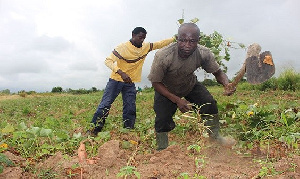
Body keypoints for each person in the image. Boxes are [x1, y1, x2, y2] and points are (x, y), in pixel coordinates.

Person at [147, 23, 236, 150]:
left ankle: (215, 137)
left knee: (209, 104)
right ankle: (162, 148)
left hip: (189, 84)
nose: (187, 45)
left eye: (192, 41)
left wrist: (227, 84)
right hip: (166, 89)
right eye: (182, 40)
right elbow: (156, 82)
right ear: (177, 38)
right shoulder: (163, 55)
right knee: (162, 119)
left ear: (198, 40)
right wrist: (177, 100)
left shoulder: (203, 53)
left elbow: (218, 72)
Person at [89, 27, 175, 136]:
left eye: (144, 38)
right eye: (140, 37)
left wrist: (175, 38)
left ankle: (128, 130)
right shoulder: (122, 47)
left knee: (130, 106)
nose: (142, 40)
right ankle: (94, 130)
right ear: (133, 35)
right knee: (105, 104)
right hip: (115, 80)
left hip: (130, 83)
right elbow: (108, 61)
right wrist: (120, 72)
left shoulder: (145, 47)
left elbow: (159, 44)